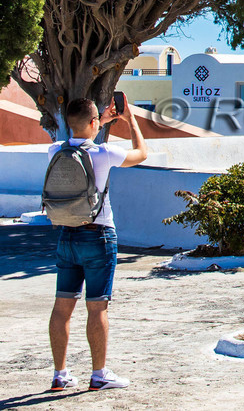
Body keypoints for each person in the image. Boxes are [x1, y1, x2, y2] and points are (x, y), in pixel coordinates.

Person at [47, 97, 147, 392]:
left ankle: (59, 374)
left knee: (62, 308)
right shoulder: (104, 153)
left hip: (66, 234)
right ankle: (99, 374)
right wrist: (130, 120)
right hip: (99, 235)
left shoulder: (54, 150)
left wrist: (96, 122)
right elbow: (141, 153)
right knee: (97, 308)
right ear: (94, 123)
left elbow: (78, 139)